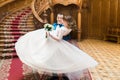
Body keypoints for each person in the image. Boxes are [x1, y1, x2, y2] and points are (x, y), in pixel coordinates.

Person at [15, 15, 98, 79]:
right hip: (58, 42)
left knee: (52, 57)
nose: (62, 21)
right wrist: (52, 29)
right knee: (59, 59)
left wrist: (50, 34)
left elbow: (58, 39)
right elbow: (59, 30)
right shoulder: (68, 28)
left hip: (55, 42)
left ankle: (56, 73)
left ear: (67, 22)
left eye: (64, 21)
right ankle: (58, 73)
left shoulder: (63, 29)